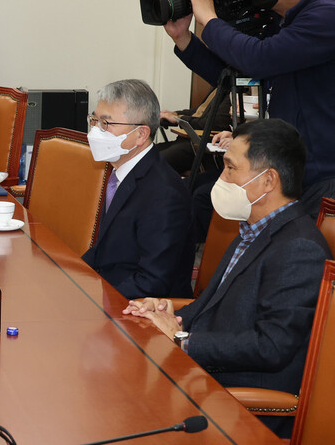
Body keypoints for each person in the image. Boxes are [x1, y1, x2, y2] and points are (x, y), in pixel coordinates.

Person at [123, 118, 331, 438]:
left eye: (231, 167)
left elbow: (272, 346)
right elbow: (212, 304)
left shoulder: (299, 249)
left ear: (268, 181)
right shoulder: (252, 229)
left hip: (243, 407)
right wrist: (168, 314)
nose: (221, 177)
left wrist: (182, 340)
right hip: (208, 378)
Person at [165, 0, 335, 218]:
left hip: (320, 176)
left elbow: (258, 59)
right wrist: (183, 38)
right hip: (284, 168)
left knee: (298, 248)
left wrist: (210, 19)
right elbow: (235, 78)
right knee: (198, 194)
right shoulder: (281, 23)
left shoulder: (326, 15)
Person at [81, 79, 194, 300]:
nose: (95, 131)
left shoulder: (164, 194)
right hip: (110, 289)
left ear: (141, 134)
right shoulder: (121, 171)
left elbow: (152, 282)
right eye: (94, 120)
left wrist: (92, 300)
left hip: (140, 312)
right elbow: (104, 249)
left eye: (106, 123)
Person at [156, 88, 231, 175]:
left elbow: (215, 124)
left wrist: (179, 118)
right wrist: (174, 114)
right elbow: (199, 111)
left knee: (154, 162)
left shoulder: (233, 89)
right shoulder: (219, 85)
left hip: (200, 147)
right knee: (145, 155)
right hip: (186, 141)